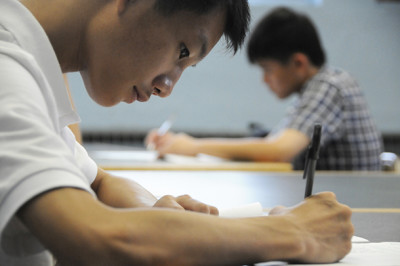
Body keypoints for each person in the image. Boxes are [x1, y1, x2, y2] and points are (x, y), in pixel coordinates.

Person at [0, 1, 353, 265]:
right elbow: (93, 238)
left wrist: (158, 215)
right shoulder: (5, 67)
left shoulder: (30, 68)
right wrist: (294, 233)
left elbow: (99, 182)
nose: (167, 87)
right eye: (182, 51)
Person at [146, 7, 384, 171]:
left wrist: (192, 146)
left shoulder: (328, 86)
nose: (265, 80)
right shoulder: (322, 86)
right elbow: (274, 143)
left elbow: (278, 150)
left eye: (267, 69)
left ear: (299, 63)